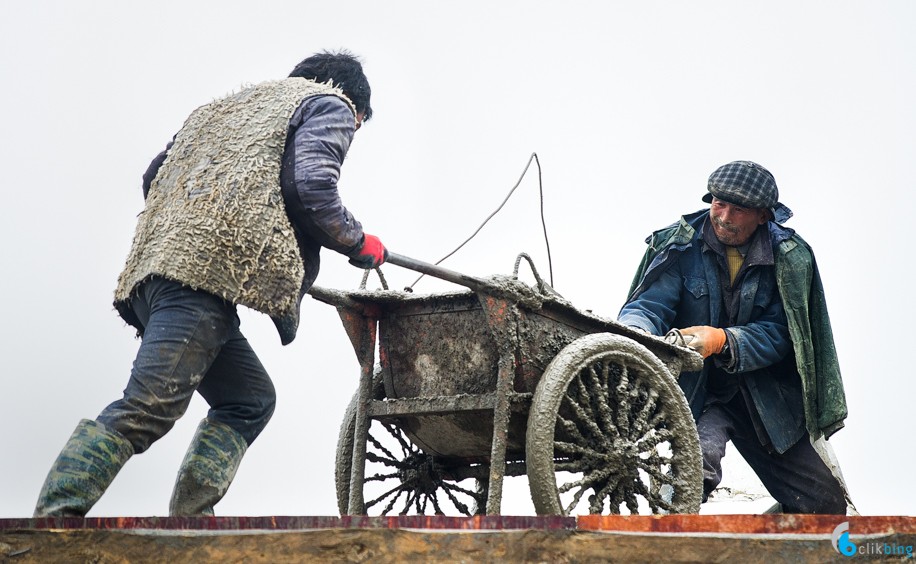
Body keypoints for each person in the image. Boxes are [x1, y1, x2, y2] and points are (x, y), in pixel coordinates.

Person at [34, 50, 388, 517]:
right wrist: (356, 240)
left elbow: (155, 176)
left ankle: (192, 520)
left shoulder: (231, 109)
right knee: (147, 407)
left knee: (249, 399)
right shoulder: (331, 103)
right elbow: (311, 187)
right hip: (198, 282)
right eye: (357, 124)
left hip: (154, 274)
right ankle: (52, 521)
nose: (352, 129)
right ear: (352, 103)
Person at [618, 160, 851, 514]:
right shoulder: (681, 245)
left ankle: (760, 540)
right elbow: (649, 305)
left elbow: (784, 333)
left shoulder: (789, 258)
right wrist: (636, 331)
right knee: (693, 470)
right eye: (719, 203)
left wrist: (723, 340)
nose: (724, 217)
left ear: (763, 216)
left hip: (764, 400)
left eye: (738, 210)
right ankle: (665, 530)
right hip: (701, 393)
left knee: (824, 504)